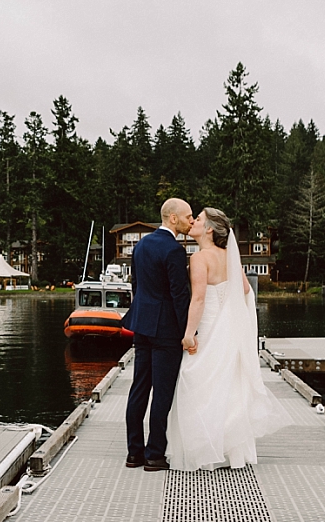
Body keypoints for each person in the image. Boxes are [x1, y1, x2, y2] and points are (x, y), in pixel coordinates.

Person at [166, 207, 287, 471]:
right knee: (226, 384)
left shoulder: (200, 258)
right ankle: (227, 449)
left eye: (197, 219)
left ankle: (202, 449)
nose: (193, 222)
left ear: (209, 228)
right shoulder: (229, 256)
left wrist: (188, 335)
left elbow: (198, 299)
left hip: (208, 326)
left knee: (194, 379)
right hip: (228, 326)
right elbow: (244, 289)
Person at [123, 198, 194, 471]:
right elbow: (179, 295)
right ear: (173, 218)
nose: (191, 221)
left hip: (142, 325)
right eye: (188, 216)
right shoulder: (174, 250)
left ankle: (134, 453)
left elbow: (137, 286)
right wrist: (188, 331)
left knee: (139, 389)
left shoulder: (140, 245)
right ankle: (155, 455)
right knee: (161, 394)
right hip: (165, 330)